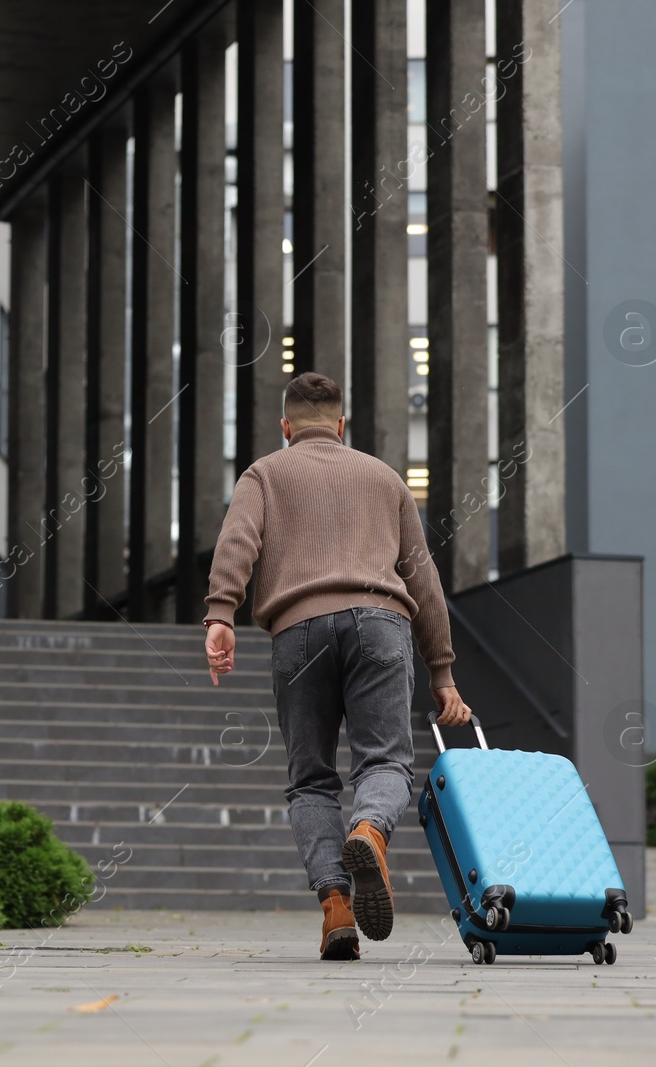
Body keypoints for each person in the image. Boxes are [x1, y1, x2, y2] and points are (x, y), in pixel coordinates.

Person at [202, 371, 471, 961]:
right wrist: (443, 673)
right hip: (381, 622)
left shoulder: (265, 472)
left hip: (297, 630)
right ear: (342, 425)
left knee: (310, 779)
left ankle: (336, 910)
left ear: (286, 426)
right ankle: (369, 829)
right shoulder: (383, 476)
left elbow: (237, 540)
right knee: (386, 762)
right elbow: (423, 578)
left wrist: (221, 611)